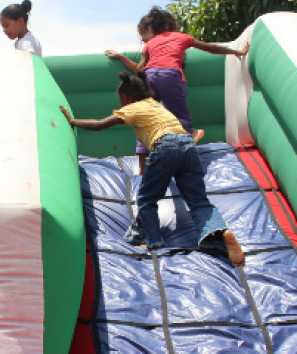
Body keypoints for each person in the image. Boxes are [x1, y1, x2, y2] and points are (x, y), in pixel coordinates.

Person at [59, 71, 245, 267]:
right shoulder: (156, 105)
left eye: (121, 100)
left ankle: (153, 243)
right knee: (198, 201)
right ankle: (221, 232)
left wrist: (72, 122)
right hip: (188, 145)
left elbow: (99, 125)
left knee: (147, 199)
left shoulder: (133, 108)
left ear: (128, 98)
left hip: (165, 146)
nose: (122, 104)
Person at [106, 7, 249, 173]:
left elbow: (139, 70)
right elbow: (210, 47)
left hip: (149, 78)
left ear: (151, 29)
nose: (143, 39)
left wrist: (121, 56)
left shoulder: (150, 44)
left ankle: (143, 170)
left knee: (144, 120)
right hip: (170, 77)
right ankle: (189, 137)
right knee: (179, 117)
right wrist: (237, 51)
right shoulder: (181, 37)